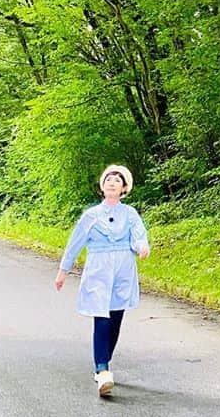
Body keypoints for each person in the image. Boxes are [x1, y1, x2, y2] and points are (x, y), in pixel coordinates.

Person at [54, 164, 150, 396]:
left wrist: (142, 246)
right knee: (102, 318)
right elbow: (75, 243)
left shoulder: (130, 214)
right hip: (98, 269)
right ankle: (102, 369)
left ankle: (104, 362)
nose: (112, 182)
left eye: (117, 180)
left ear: (124, 188)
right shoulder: (91, 216)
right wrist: (63, 271)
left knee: (116, 318)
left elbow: (138, 235)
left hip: (123, 270)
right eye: (108, 179)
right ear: (102, 185)